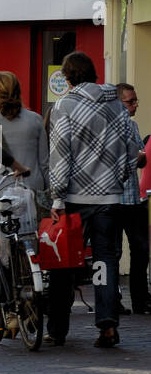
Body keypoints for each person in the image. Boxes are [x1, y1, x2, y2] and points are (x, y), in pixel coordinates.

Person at [47, 53, 141, 347]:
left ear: (69, 76)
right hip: (109, 198)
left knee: (64, 264)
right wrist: (118, 179)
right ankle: (107, 324)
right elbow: (132, 150)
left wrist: (57, 195)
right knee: (105, 260)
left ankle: (58, 328)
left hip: (75, 196)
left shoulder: (65, 106)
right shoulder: (116, 104)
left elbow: (61, 153)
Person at [115, 83, 150, 314]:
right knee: (113, 253)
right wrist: (135, 158)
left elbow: (142, 157)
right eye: (130, 101)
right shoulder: (112, 127)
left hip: (132, 198)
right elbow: (138, 157)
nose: (136, 104)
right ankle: (118, 300)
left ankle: (138, 299)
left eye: (135, 100)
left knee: (139, 251)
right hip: (114, 200)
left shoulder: (133, 124)